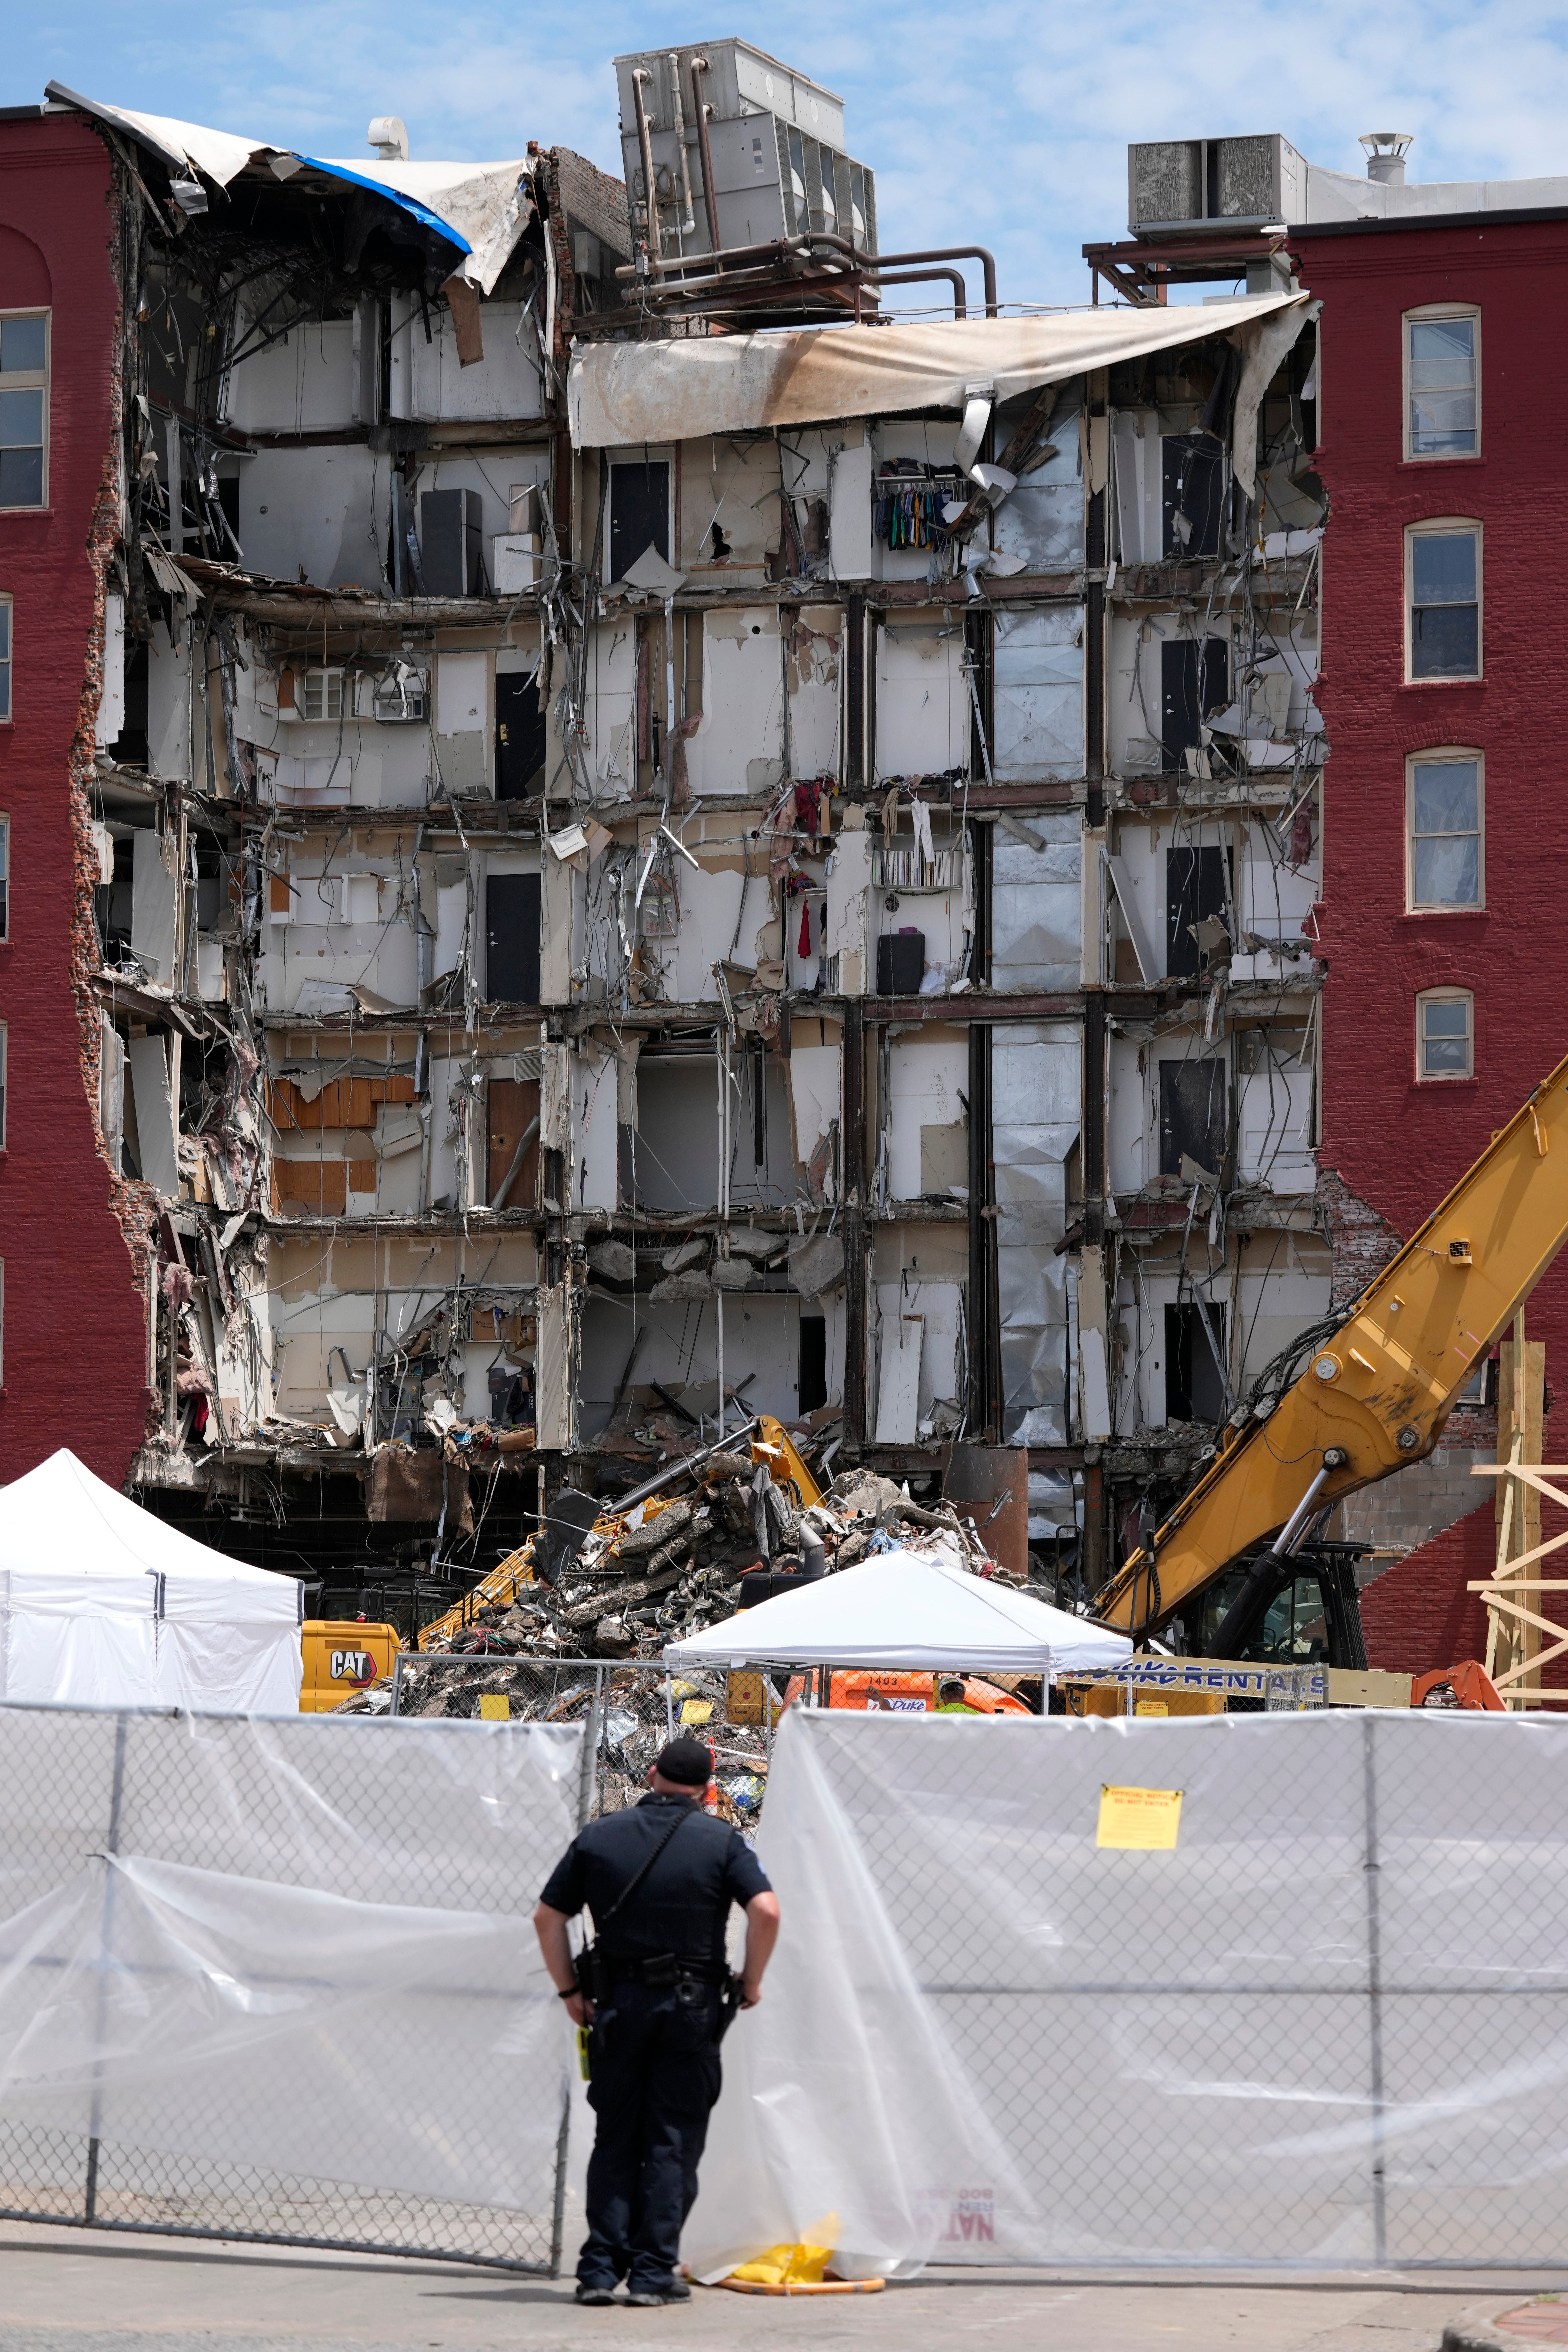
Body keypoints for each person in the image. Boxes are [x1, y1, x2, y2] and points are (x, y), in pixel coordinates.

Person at [533, 1735, 781, 2308]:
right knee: (672, 2139)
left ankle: (598, 2270)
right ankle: (650, 2273)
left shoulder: (600, 1836)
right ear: (709, 1784)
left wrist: (569, 1990)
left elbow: (548, 1917)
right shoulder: (721, 1840)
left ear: (651, 1773)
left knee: (617, 2136)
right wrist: (752, 1979)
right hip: (690, 2010)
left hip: (615, 2005)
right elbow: (766, 1909)